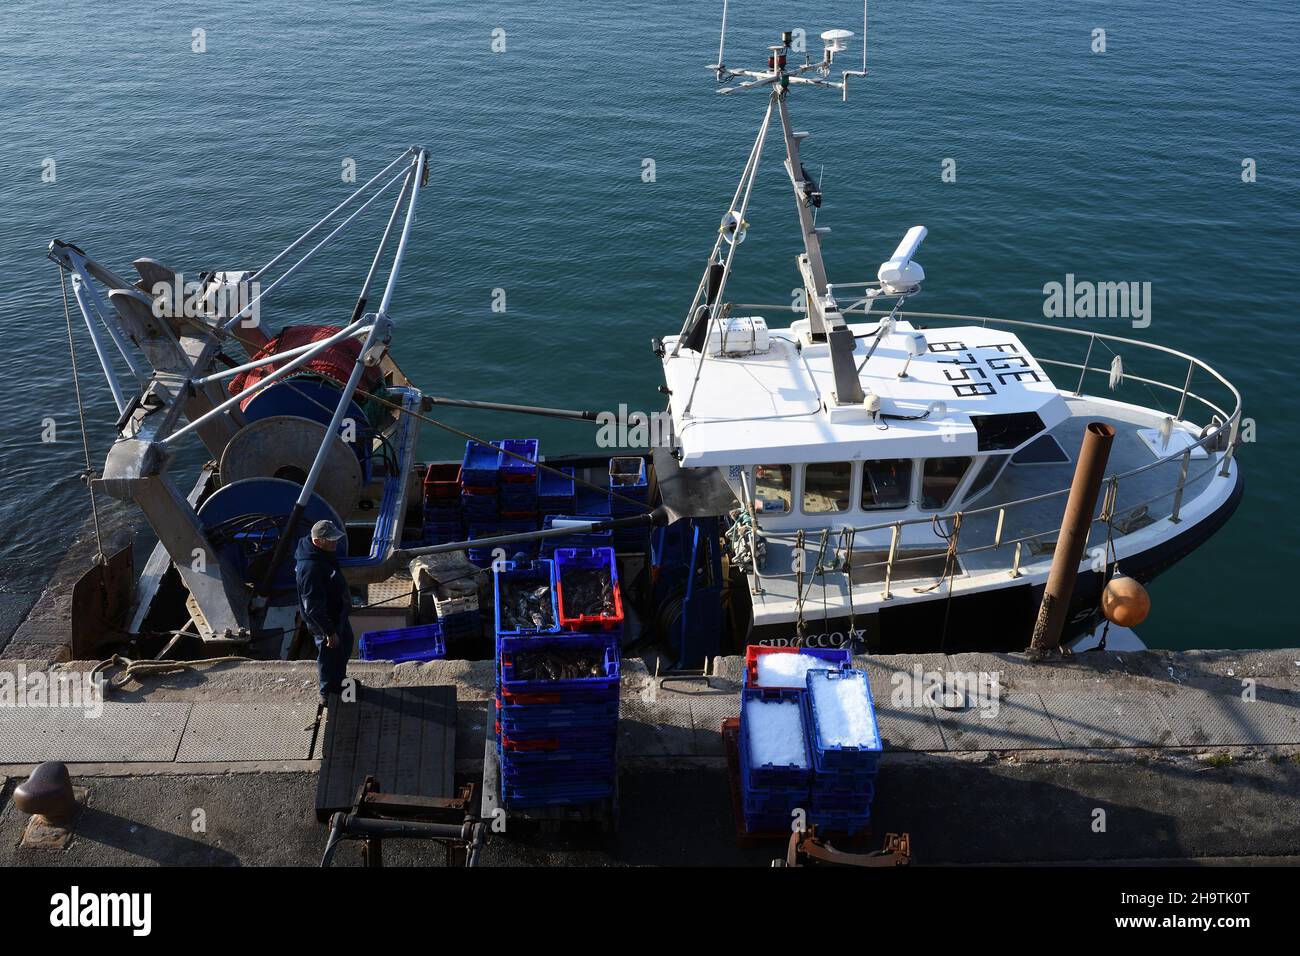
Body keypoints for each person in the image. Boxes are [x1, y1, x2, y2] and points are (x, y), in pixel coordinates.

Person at [294, 520, 354, 704]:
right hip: (325, 622)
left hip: (337, 615)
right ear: (318, 541)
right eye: (331, 540)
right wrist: (329, 632)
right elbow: (313, 608)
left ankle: (340, 681)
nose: (336, 543)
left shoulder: (321, 552)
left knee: (345, 645)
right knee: (329, 655)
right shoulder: (310, 569)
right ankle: (327, 692)